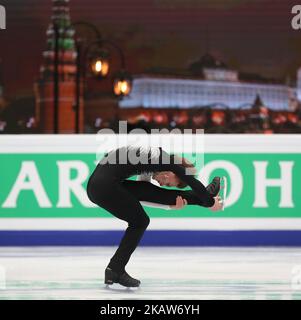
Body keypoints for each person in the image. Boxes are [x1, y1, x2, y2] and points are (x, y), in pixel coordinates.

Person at [86, 145, 223, 288]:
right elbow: (192, 182)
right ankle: (115, 269)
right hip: (104, 186)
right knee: (140, 222)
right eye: (169, 183)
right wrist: (210, 202)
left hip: (97, 186)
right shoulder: (165, 160)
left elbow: (145, 194)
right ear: (170, 173)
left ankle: (114, 269)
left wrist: (169, 206)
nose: (163, 184)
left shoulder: (151, 159)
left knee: (142, 216)